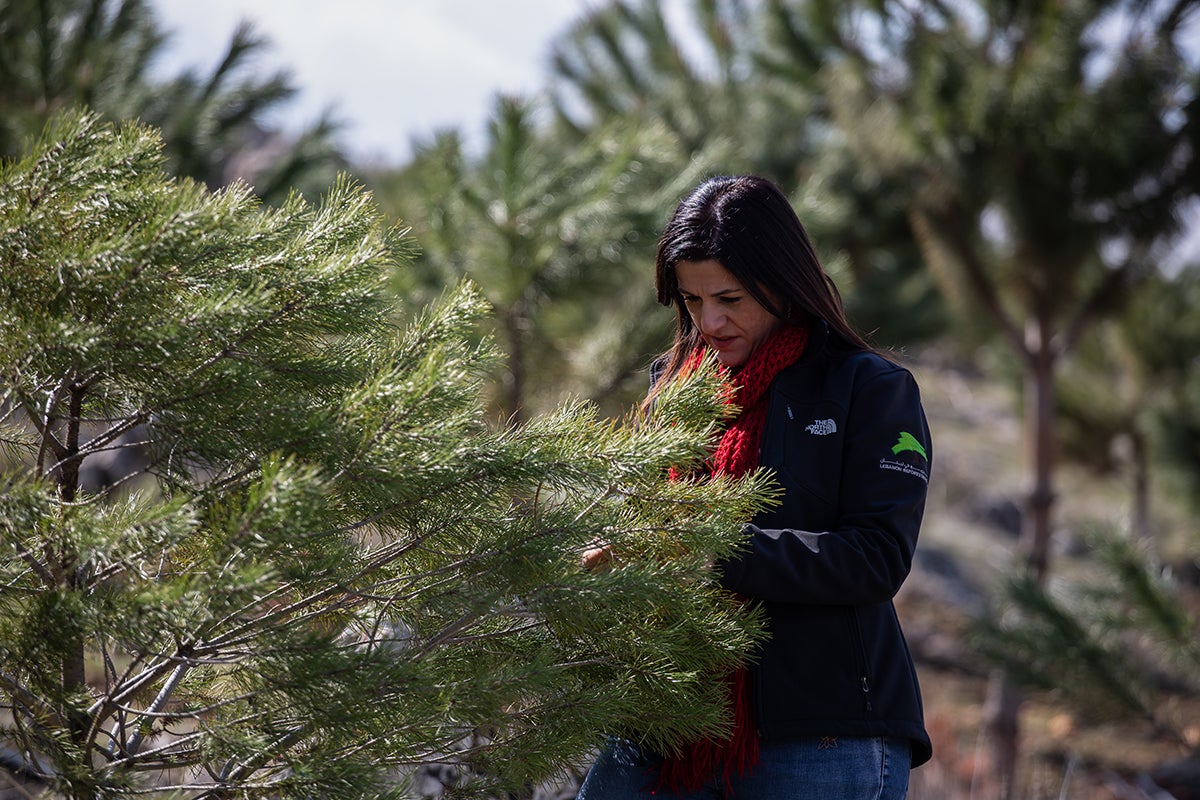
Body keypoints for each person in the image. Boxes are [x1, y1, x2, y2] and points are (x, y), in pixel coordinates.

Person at [576, 175, 933, 800]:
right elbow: (645, 524)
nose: (709, 321)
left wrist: (710, 548)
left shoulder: (869, 389)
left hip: (822, 739)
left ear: (781, 282)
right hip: (667, 727)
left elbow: (876, 559)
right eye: (691, 300)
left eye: (730, 297)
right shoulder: (674, 391)